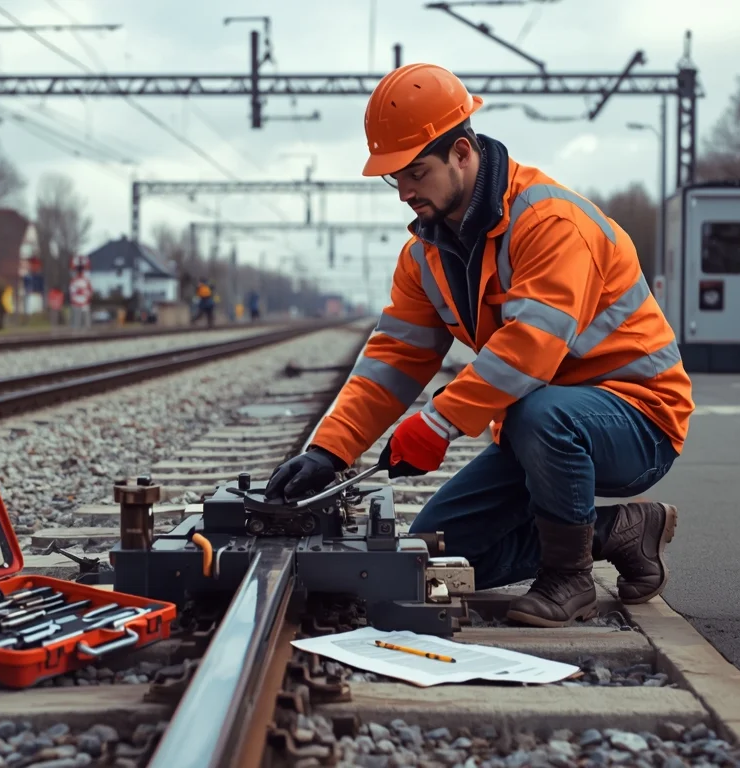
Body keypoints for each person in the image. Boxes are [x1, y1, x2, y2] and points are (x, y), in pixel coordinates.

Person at [264, 63, 695, 628]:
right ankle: (619, 533)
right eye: (395, 179)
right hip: (537, 431)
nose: (405, 192)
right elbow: (394, 360)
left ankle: (569, 576)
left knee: (542, 414)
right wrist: (330, 450)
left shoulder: (550, 221)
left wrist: (437, 422)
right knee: (437, 551)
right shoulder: (424, 255)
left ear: (462, 153)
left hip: (638, 420)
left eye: (416, 172)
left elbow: (531, 348)